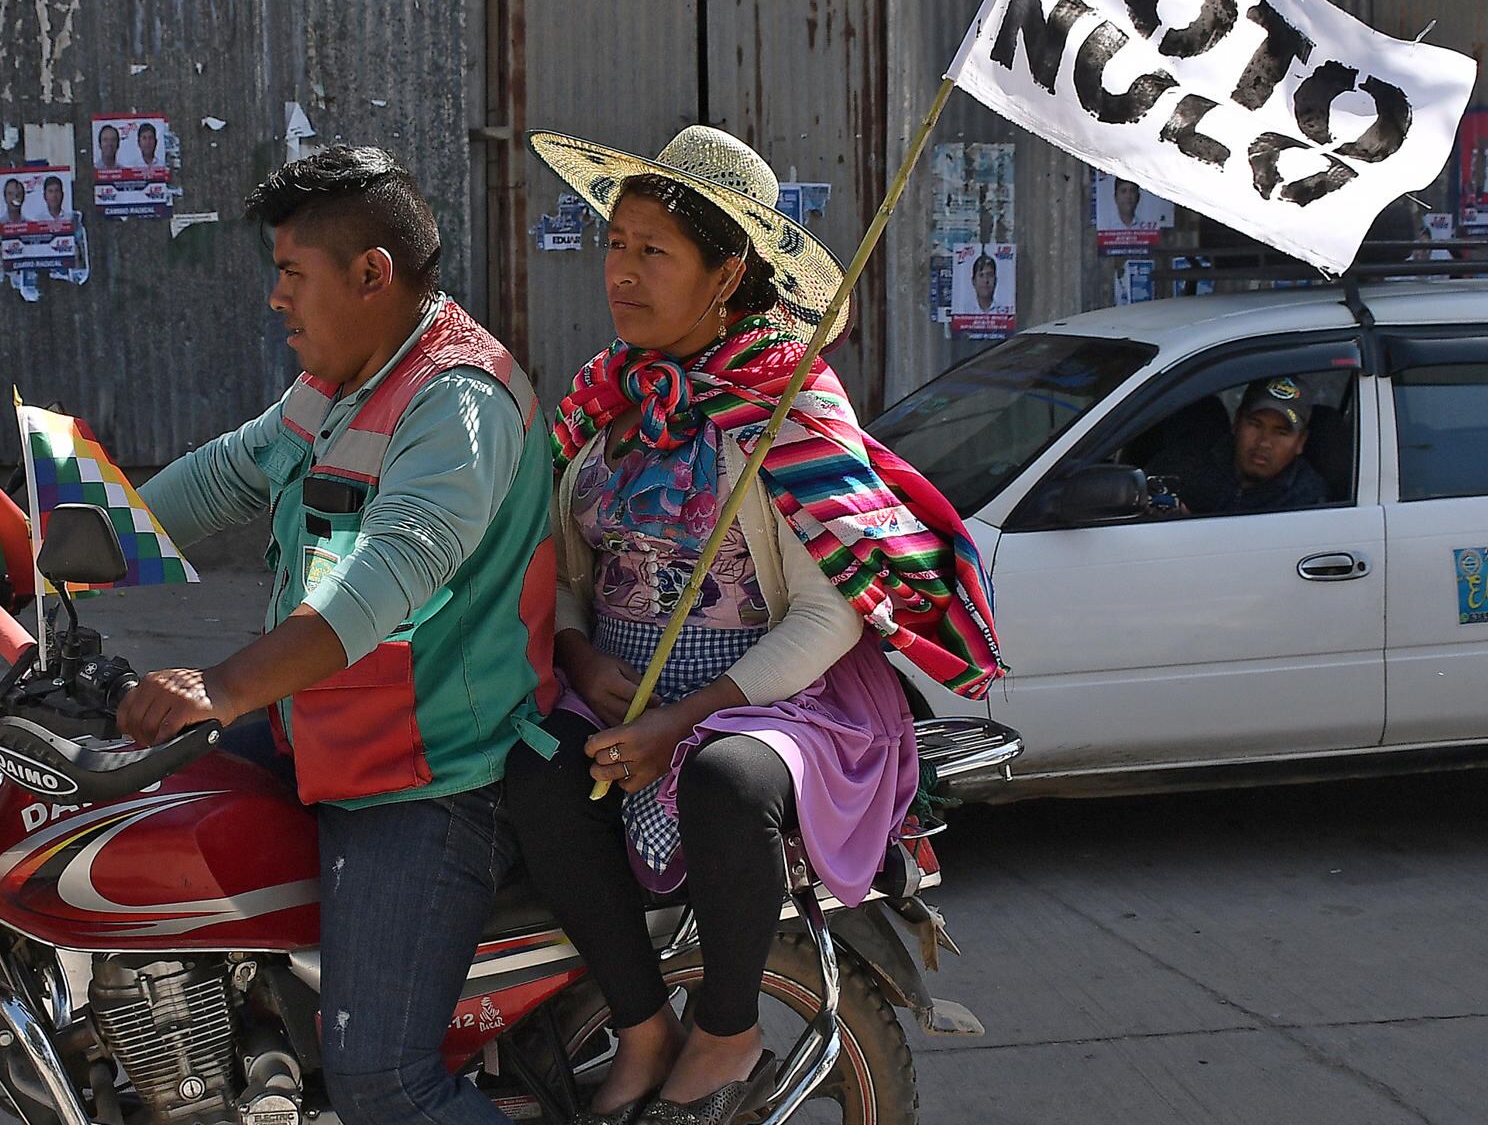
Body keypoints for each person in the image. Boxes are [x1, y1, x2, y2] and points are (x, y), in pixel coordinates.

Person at [507, 126, 1002, 1125]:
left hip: (775, 695)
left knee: (726, 781)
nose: (622, 272)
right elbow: (565, 566)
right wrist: (577, 651)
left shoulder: (788, 403)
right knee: (530, 769)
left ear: (727, 272)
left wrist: (684, 718)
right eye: (616, 244)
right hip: (619, 686)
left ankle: (728, 1026)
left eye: (654, 251)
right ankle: (642, 1021)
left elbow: (830, 612)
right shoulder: (608, 395)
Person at [126, 144, 556, 1125]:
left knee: (382, 1082)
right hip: (322, 736)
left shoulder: (458, 403)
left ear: (371, 274)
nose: (276, 297)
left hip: (430, 775)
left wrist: (221, 685)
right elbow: (226, 475)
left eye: (292, 272)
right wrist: (61, 548)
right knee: (132, 797)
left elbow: (382, 585)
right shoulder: (341, 380)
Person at [1147, 376, 1329, 515]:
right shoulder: (1190, 460)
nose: (1264, 442)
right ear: (1236, 422)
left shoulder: (1307, 502)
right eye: (1255, 425)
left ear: (1300, 442)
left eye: (1281, 432)